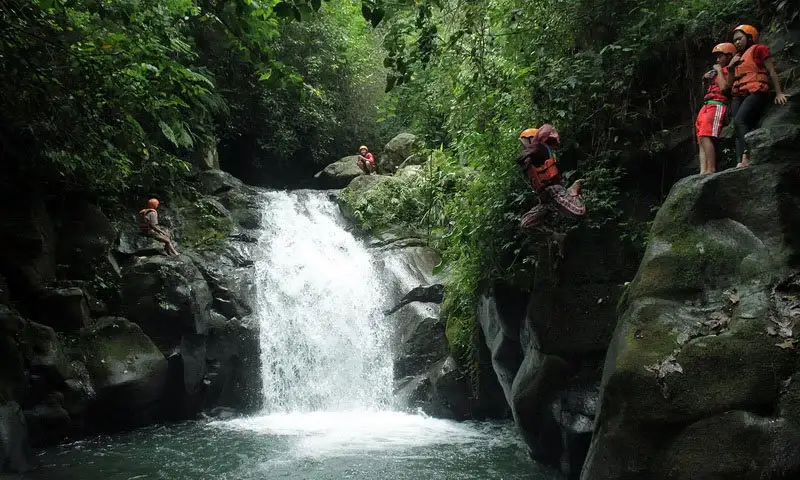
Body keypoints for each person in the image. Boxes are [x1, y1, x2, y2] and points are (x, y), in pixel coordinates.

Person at [516, 125, 586, 255]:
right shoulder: (533, 154)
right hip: (545, 198)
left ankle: (573, 191)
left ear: (531, 139)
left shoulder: (540, 149)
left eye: (524, 142)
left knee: (579, 211)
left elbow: (521, 158)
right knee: (526, 224)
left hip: (554, 191)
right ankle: (558, 237)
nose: (523, 145)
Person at [727, 24, 789, 168]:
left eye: (739, 39)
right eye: (735, 40)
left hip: (756, 91)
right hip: (739, 95)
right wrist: (730, 67)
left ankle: (747, 155)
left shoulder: (759, 49)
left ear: (749, 37)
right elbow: (730, 84)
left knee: (739, 121)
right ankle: (740, 161)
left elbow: (771, 71)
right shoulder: (737, 58)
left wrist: (779, 93)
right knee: (737, 125)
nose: (737, 42)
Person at [695, 42, 736, 175]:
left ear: (729, 56)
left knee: (706, 135)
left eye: (720, 56)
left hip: (717, 104)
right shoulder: (716, 73)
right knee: (701, 137)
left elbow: (724, 88)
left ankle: (710, 168)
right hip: (707, 104)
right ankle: (703, 171)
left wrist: (719, 71)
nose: (717, 60)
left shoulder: (730, 70)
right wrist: (706, 78)